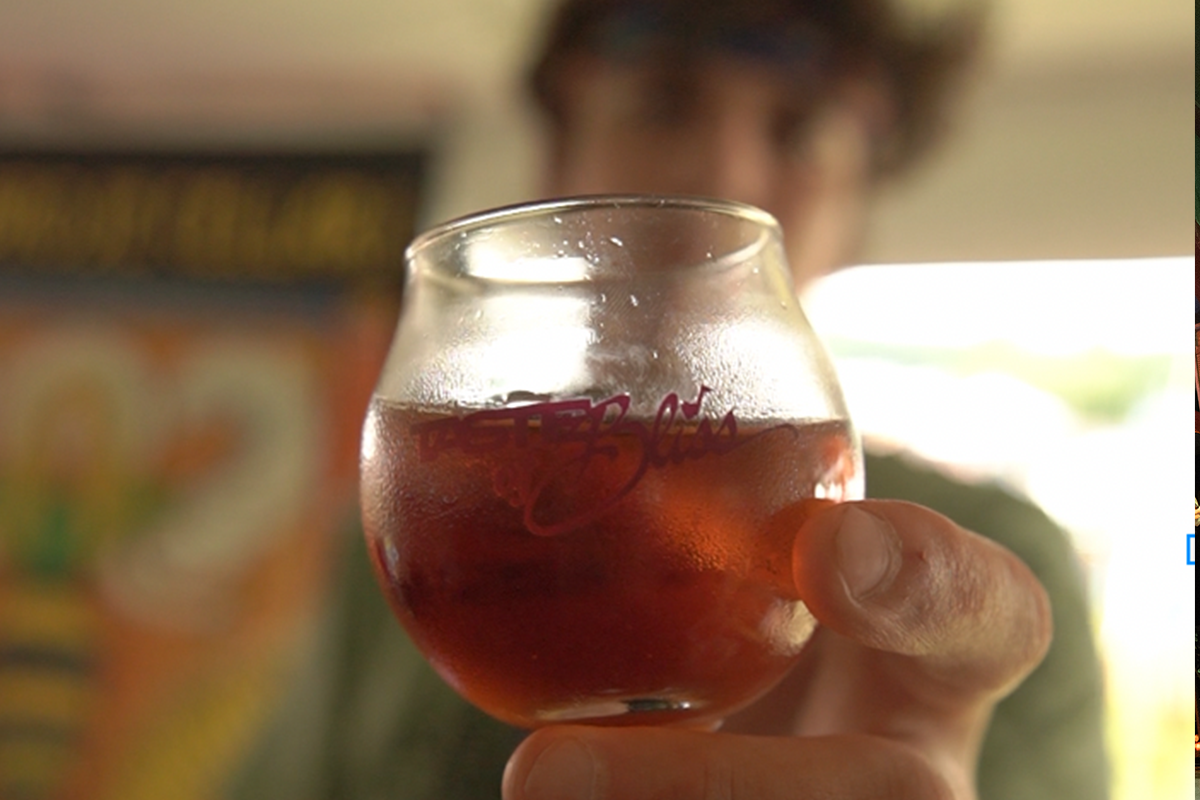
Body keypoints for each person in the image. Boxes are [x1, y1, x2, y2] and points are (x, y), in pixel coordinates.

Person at [230, 1, 1109, 798]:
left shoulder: (990, 568)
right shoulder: (412, 533)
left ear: (856, 217)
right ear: (555, 159)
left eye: (799, 130)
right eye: (664, 101)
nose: (722, 169)